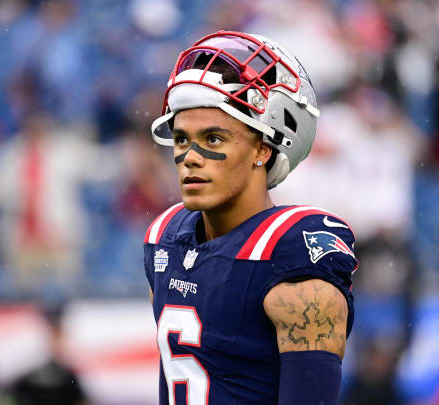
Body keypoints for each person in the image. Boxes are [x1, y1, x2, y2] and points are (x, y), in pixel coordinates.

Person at [143, 31, 358, 404]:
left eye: (213, 139)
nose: (189, 157)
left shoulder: (290, 257)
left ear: (262, 149)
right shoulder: (165, 237)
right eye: (181, 140)